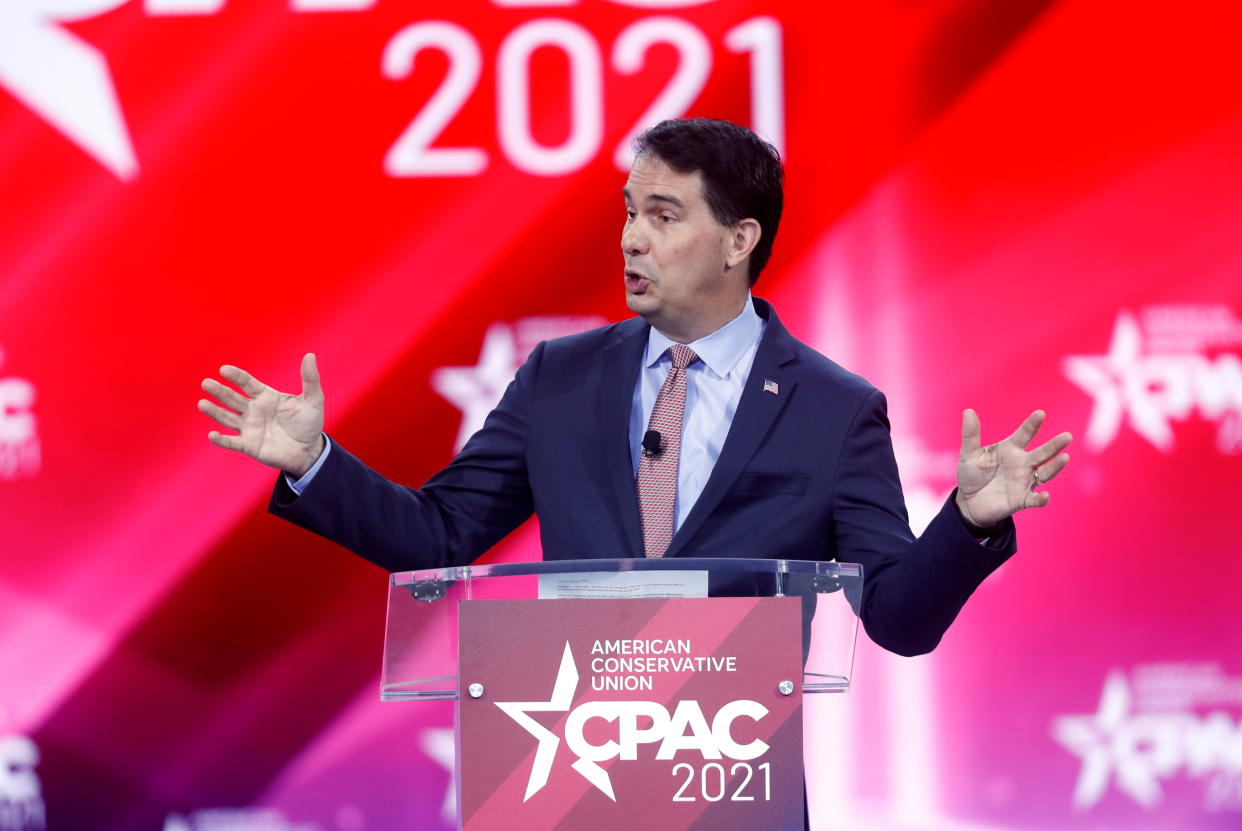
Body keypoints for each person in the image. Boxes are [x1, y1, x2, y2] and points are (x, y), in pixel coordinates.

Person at [198, 118, 1071, 658]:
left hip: (735, 782)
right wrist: (314, 460)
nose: (631, 241)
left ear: (738, 241)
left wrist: (969, 523)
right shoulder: (561, 378)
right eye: (628, 211)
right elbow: (440, 534)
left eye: (663, 217)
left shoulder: (835, 410)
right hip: (567, 764)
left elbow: (897, 622)